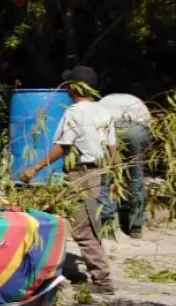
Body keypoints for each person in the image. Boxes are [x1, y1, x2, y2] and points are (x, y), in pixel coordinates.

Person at [20, 66, 117, 294]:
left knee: (82, 228)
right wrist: (112, 175)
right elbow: (113, 147)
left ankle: (102, 279)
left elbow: (63, 147)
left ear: (74, 87)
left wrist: (34, 168)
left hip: (80, 174)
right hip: (97, 172)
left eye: (68, 85)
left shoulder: (74, 112)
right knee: (84, 222)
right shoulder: (103, 112)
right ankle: (58, 266)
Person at [97, 92, 152, 238]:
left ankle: (107, 224)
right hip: (138, 129)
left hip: (111, 127)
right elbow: (148, 128)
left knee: (106, 175)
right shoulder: (136, 99)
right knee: (136, 175)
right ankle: (135, 227)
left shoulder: (103, 101)